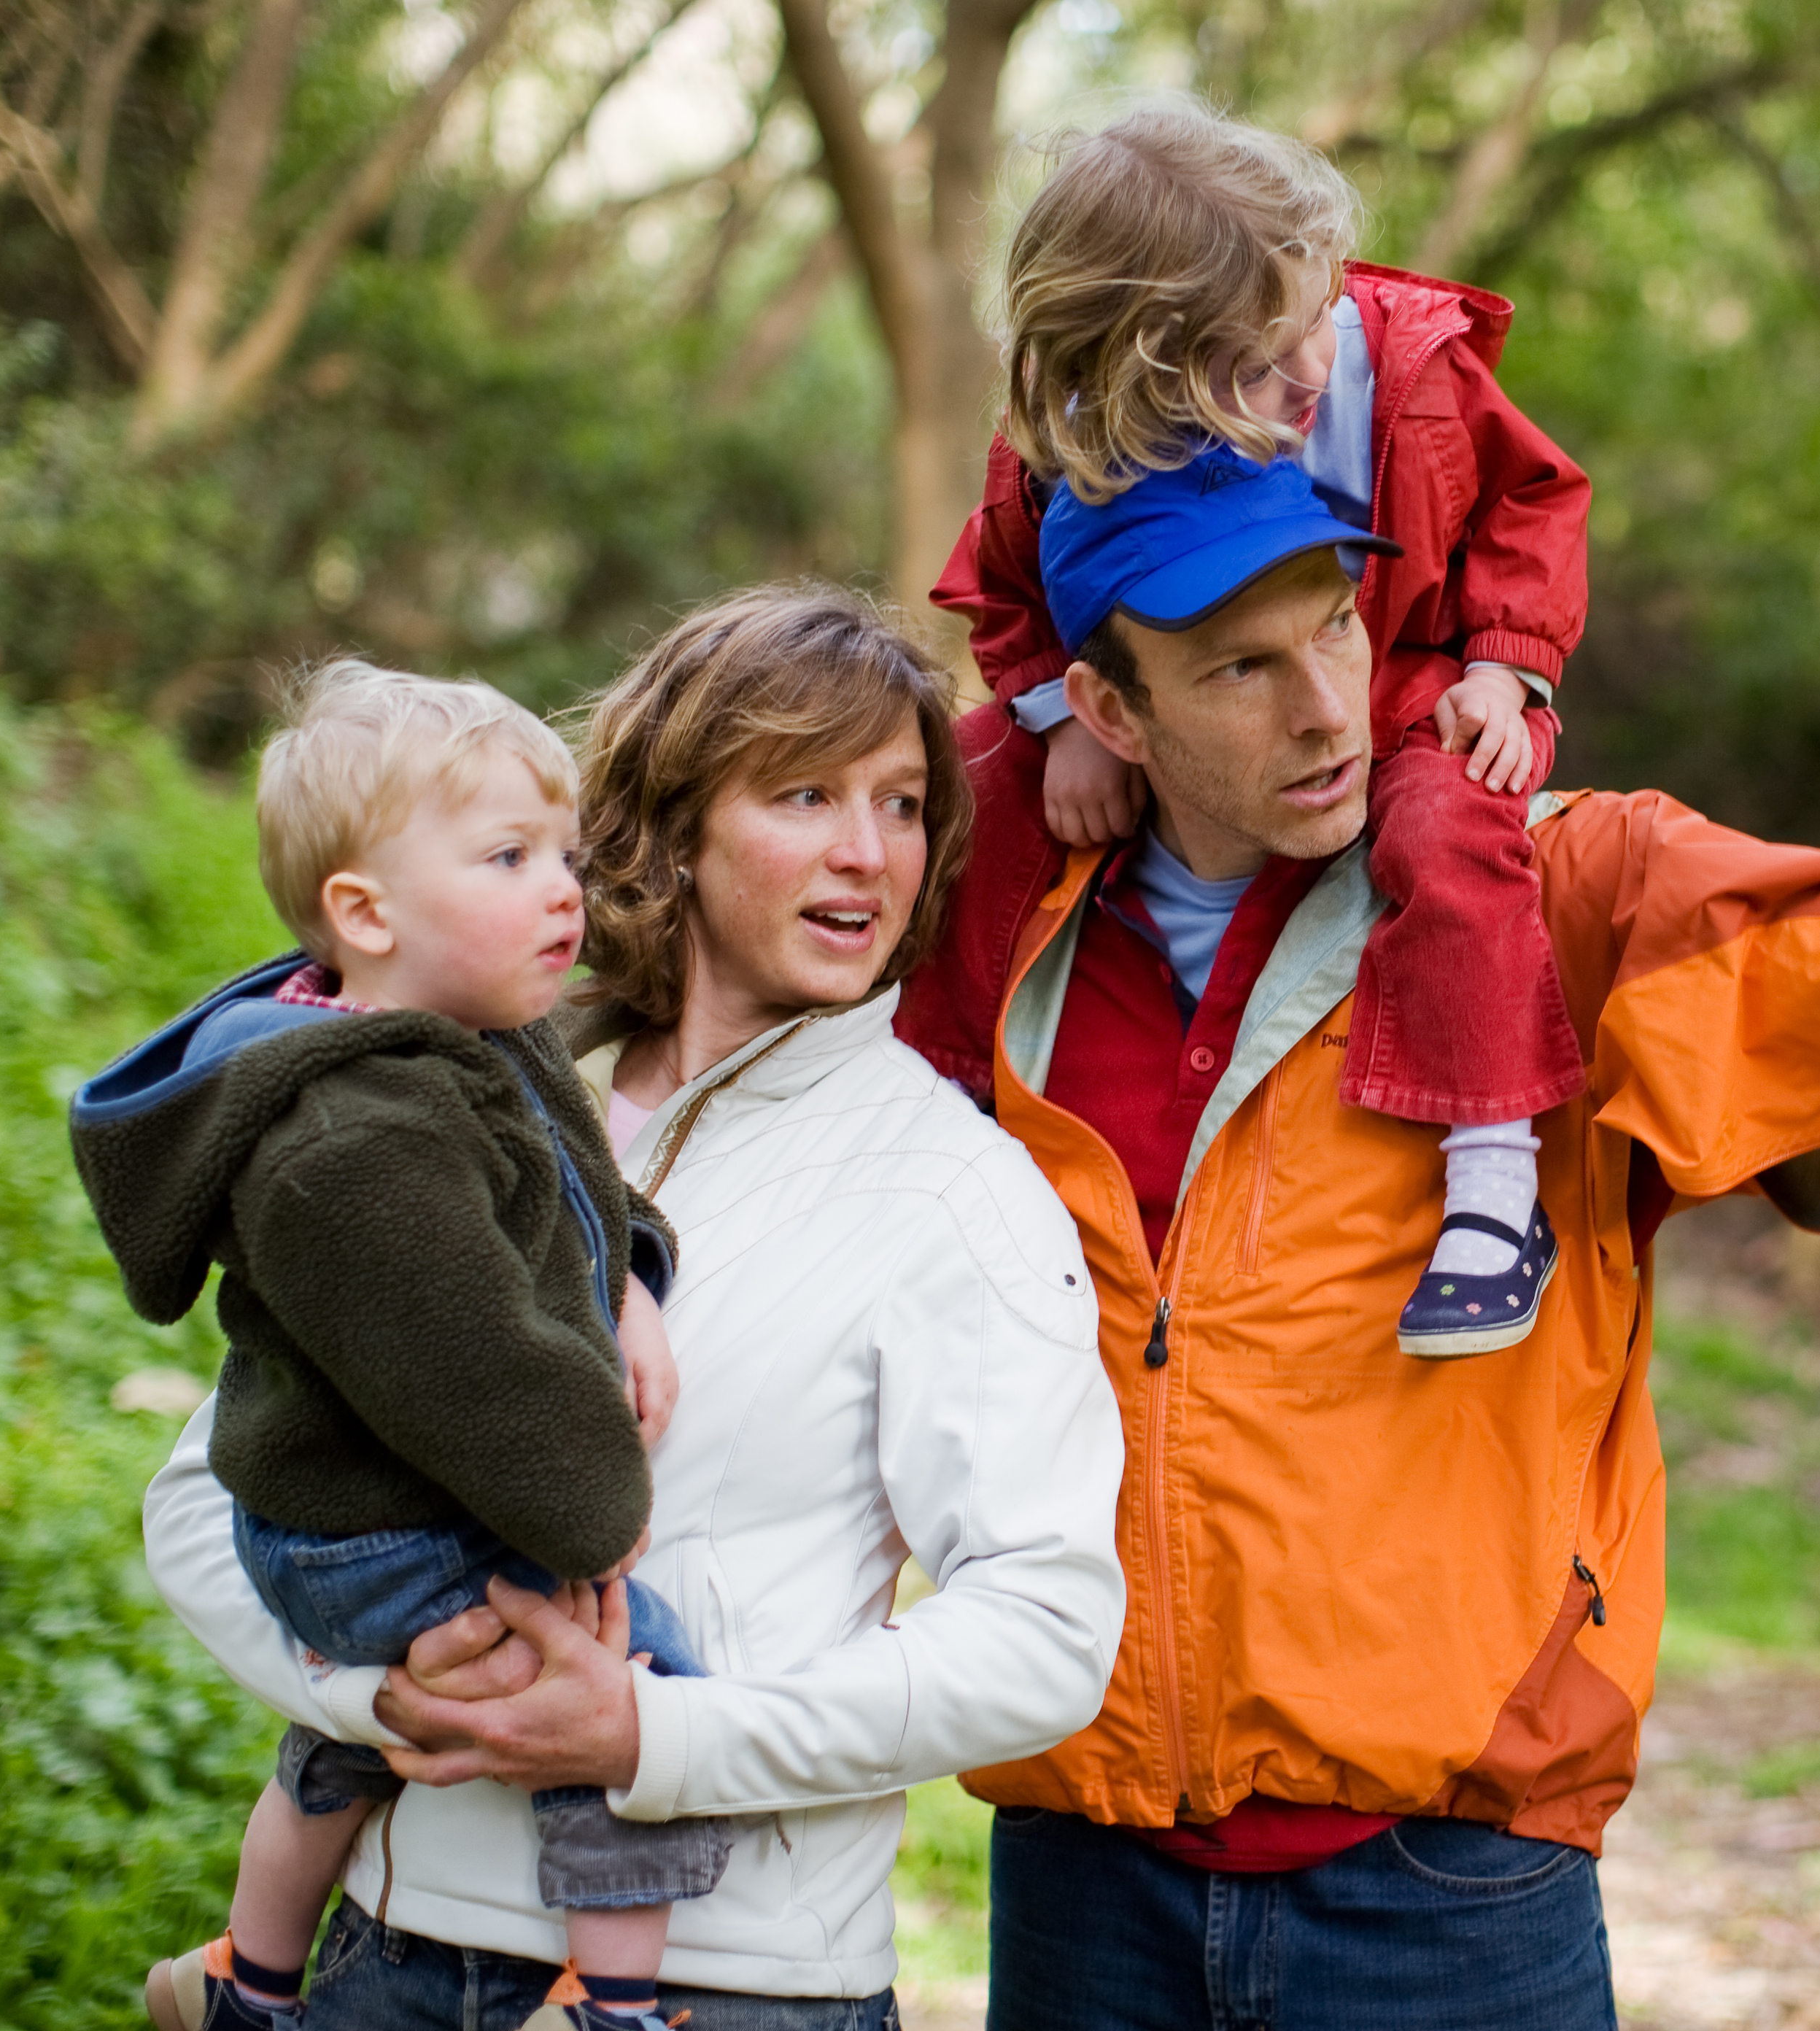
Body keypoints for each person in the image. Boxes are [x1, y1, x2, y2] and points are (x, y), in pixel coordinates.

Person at [361, 484, 1820, 2030]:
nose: (1324, 707)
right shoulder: (990, 941)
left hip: (1440, 1897)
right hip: (1078, 1895)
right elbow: (662, 1053)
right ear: (1101, 702)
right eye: (1232, 667)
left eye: (1339, 635)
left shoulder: (1548, 900)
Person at [138, 585, 1126, 2030]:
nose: (869, 850)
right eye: (804, 792)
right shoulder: (448, 1094)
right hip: (381, 1956)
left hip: (732, 1990)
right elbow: (209, 1487)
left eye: (904, 804)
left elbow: (1046, 1631)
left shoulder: (956, 1188)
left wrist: (657, 1731)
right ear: (673, 823)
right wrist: (382, 1696)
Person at [71, 662, 723, 2031]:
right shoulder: (353, 1144)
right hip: (364, 1530)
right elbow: (482, 1373)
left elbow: (578, 1190)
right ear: (364, 913)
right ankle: (618, 2006)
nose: (563, 888)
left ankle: (244, 1982)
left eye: (564, 852)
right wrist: (595, 1526)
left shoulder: (478, 1034)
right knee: (631, 1681)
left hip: (356, 1503)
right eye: (507, 857)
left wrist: (633, 1283)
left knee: (346, 1738)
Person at [918, 103, 1592, 1358]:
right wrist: (1067, 710)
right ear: (1129, 368)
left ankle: (1494, 1173)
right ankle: (941, 1100)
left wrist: (1509, 665)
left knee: (1451, 834)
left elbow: (1531, 502)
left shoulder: (1400, 366)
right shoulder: (1074, 439)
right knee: (977, 785)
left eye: (1306, 330)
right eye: (1246, 368)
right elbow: (1005, 585)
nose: (1302, 382)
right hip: (1174, 691)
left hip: (1415, 682)